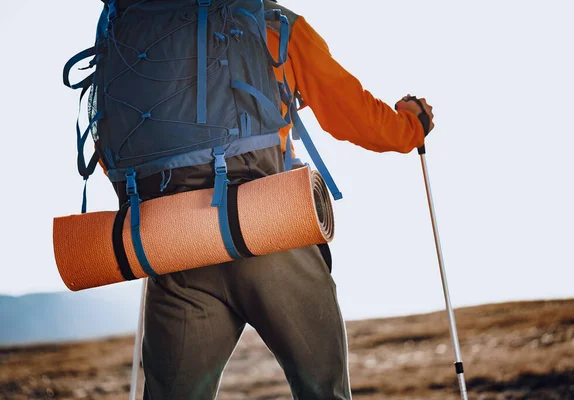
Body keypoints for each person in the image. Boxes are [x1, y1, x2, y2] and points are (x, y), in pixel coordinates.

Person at [106, 1, 434, 398]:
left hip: (175, 246)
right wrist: (411, 125)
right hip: (264, 228)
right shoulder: (270, 21)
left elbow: (111, 148)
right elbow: (358, 116)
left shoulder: (128, 26)